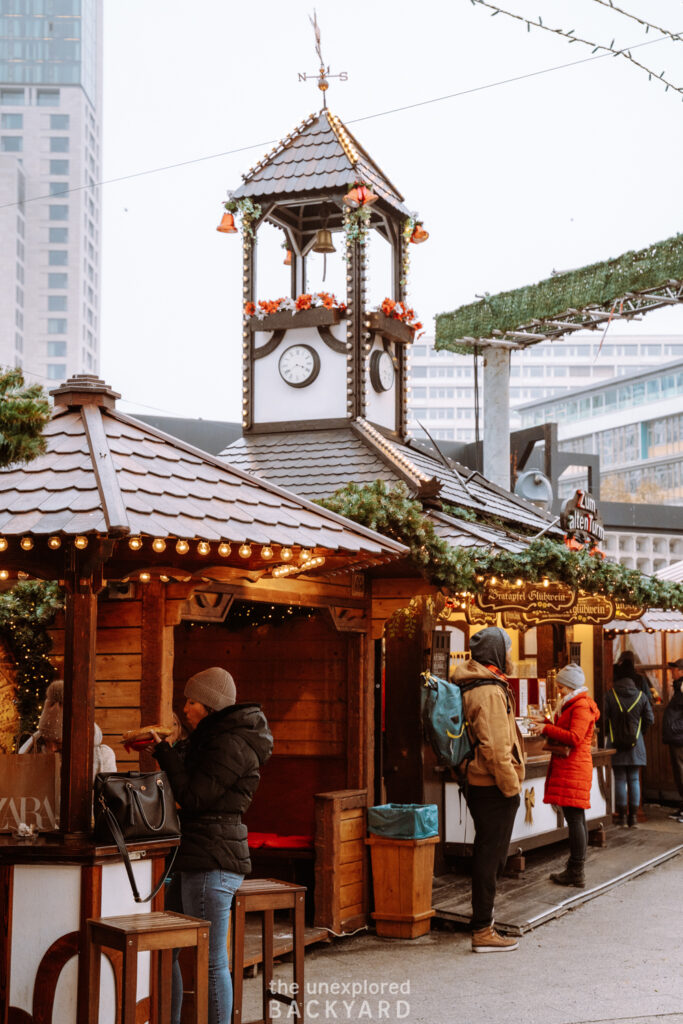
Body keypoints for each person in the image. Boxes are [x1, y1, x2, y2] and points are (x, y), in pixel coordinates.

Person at [149, 667, 273, 1024]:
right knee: (166, 949)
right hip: (193, 855)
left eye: (191, 701)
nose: (185, 708)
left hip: (212, 859)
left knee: (211, 960)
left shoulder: (229, 742)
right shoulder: (213, 737)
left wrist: (166, 753)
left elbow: (193, 796)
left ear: (208, 704)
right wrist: (165, 748)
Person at [453, 626, 524, 953]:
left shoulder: (472, 683)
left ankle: (483, 922)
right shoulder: (489, 690)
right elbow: (496, 749)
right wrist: (511, 788)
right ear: (497, 652)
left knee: (488, 851)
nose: (510, 655)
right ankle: (483, 929)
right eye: (507, 649)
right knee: (490, 854)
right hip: (492, 784)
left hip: (477, 780)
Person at [529, 664, 599, 888]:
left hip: (574, 767)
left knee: (575, 819)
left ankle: (576, 870)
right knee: (575, 818)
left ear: (571, 686)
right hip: (572, 767)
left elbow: (575, 737)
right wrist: (547, 724)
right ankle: (574, 869)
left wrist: (545, 730)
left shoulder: (580, 706)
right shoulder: (574, 704)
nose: (558, 691)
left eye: (561, 687)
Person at [19, 679, 117, 775]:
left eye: (58, 742)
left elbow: (108, 791)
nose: (52, 748)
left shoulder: (104, 757)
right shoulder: (33, 751)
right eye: (46, 740)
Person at [605, 657, 655, 827]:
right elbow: (650, 719)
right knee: (633, 779)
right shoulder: (641, 697)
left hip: (615, 743)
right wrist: (640, 732)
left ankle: (621, 816)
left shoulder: (610, 695)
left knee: (619, 779)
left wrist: (609, 733)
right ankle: (633, 818)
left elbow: (603, 719)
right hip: (636, 744)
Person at [663, 658, 683, 822]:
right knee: (679, 773)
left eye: (674, 669)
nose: (671, 672)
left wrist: (676, 727)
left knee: (682, 772)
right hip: (676, 736)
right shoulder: (678, 688)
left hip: (680, 737)